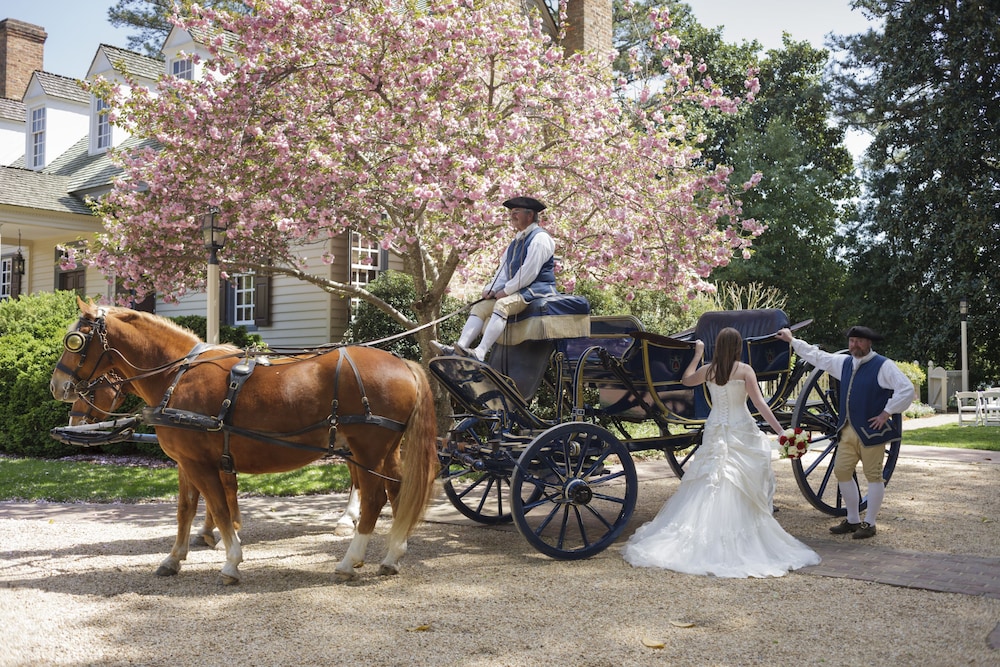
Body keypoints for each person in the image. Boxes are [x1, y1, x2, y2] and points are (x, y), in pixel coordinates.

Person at [622, 327, 821, 578]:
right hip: (740, 427)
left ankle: (702, 529)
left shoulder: (709, 370)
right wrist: (782, 431)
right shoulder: (745, 370)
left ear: (718, 347)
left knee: (711, 477)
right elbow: (759, 404)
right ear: (738, 347)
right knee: (738, 476)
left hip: (716, 427)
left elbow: (686, 380)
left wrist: (697, 355)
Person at [775, 325, 914, 539]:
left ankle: (870, 523)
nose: (854, 345)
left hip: (872, 432)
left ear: (869, 343)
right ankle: (852, 519)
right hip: (847, 430)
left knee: (874, 476)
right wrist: (793, 341)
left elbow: (907, 389)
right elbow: (818, 357)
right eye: (851, 341)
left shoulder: (883, 365)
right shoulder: (845, 363)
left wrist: (886, 413)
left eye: (858, 341)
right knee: (841, 471)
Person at [432, 196, 556, 361]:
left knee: (502, 305)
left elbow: (528, 273)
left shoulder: (540, 239)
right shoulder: (516, 242)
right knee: (481, 307)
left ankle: (480, 352)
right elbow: (503, 271)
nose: (512, 215)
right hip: (517, 290)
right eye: (512, 212)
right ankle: (459, 348)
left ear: (530, 215)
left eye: (516, 212)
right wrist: (491, 289)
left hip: (536, 291)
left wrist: (505, 291)